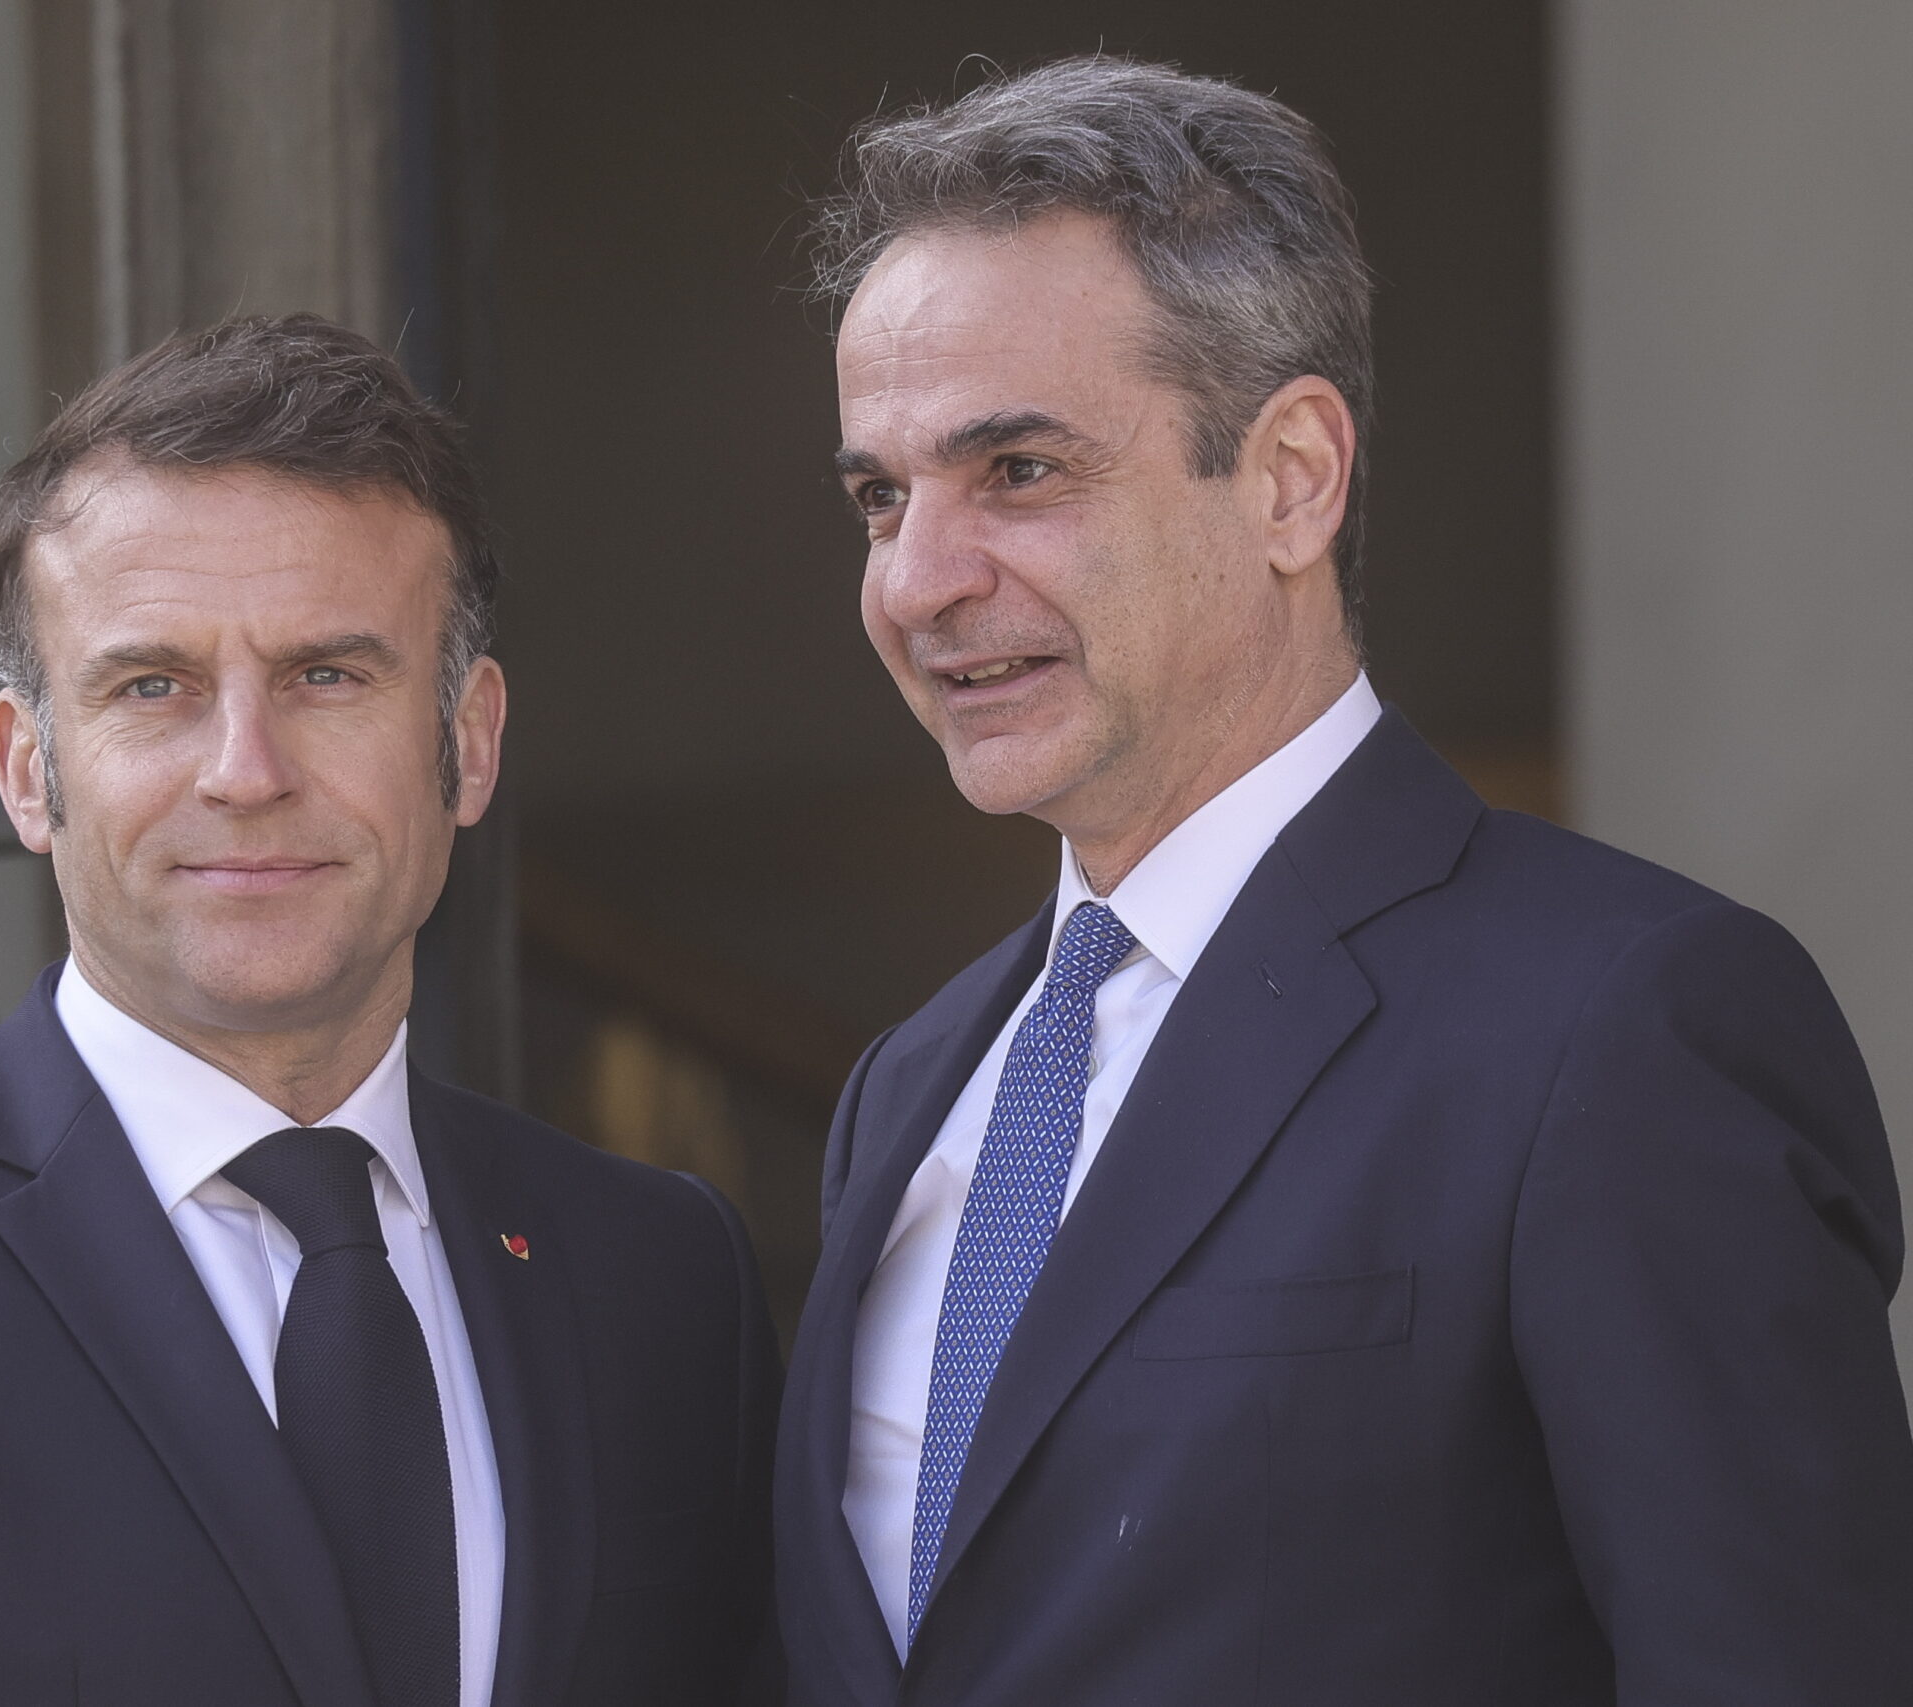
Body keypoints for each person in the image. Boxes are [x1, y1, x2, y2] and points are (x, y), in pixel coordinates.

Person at [774, 55, 1913, 1707]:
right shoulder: (911, 1086)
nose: (917, 581)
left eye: (1018, 470)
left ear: (1294, 478)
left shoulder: (1621, 1028)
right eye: (881, 497)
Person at [0, 315, 778, 1707]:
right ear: (29, 770)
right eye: (153, 686)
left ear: (470, 740)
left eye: (328, 675)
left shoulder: (660, 1278)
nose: (245, 770)